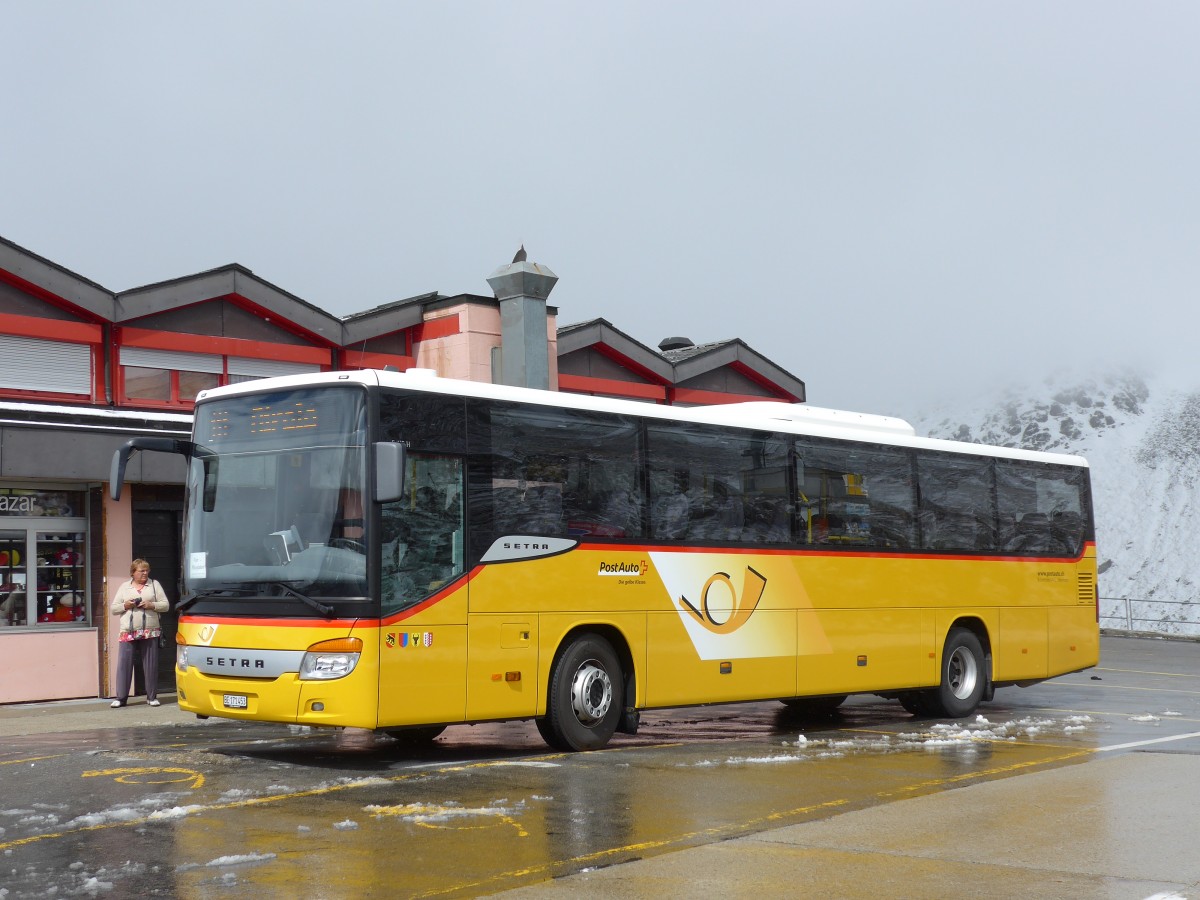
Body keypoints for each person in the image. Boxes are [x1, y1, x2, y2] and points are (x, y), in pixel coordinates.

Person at [109, 559, 170, 708]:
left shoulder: (154, 585)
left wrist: (151, 605)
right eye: (141, 571)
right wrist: (126, 605)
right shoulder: (125, 587)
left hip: (149, 631)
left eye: (146, 570)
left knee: (150, 665)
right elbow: (113, 608)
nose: (145, 573)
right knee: (124, 665)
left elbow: (166, 605)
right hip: (128, 632)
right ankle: (121, 698)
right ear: (133, 573)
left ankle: (151, 697)